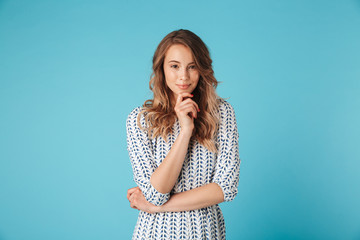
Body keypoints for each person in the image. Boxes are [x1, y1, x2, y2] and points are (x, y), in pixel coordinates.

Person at [126, 29, 240, 240]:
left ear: (202, 69)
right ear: (161, 68)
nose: (183, 77)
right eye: (175, 66)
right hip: (154, 234)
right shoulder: (140, 120)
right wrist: (185, 131)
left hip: (206, 233)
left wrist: (157, 208)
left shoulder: (222, 113)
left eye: (192, 66)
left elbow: (225, 188)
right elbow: (155, 194)